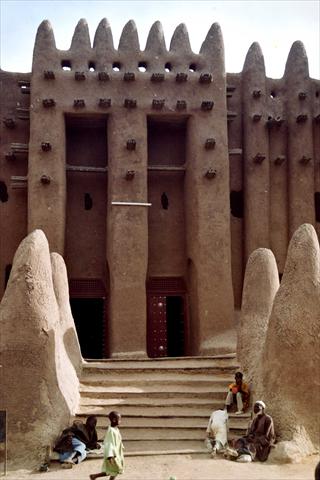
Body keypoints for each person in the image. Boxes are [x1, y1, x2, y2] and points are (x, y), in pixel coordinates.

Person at [90, 411, 124, 480]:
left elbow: (118, 440)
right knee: (114, 470)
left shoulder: (116, 429)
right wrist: (110, 456)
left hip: (117, 454)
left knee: (113, 470)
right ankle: (94, 476)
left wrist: (121, 447)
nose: (120, 421)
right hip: (112, 455)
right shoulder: (111, 431)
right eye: (119, 419)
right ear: (114, 420)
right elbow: (109, 444)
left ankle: (94, 476)